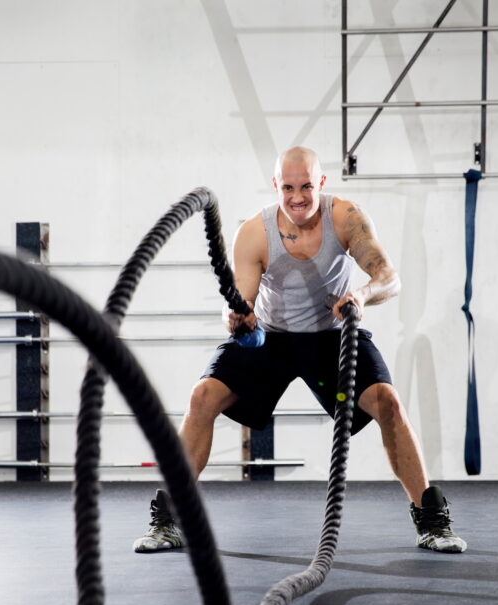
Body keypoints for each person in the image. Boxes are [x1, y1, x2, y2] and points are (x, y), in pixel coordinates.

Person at [133, 147, 466, 554]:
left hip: (331, 334)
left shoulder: (345, 217)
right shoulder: (255, 232)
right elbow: (238, 301)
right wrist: (237, 318)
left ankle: (431, 520)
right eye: (288, 187)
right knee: (203, 397)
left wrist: (360, 295)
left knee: (389, 404)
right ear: (276, 186)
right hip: (271, 337)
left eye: (306, 186)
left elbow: (389, 278)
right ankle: (169, 520)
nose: (297, 197)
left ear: (320, 184)